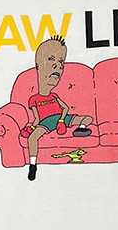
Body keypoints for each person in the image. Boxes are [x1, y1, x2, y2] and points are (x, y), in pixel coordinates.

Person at [20, 36, 93, 180]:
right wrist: (32, 127)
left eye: (61, 62)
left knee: (88, 118)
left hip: (61, 119)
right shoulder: (34, 99)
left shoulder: (54, 96)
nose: (58, 66)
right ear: (38, 65)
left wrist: (61, 120)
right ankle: (33, 165)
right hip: (46, 122)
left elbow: (65, 108)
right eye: (51, 59)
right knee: (32, 138)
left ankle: (81, 129)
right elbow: (37, 118)